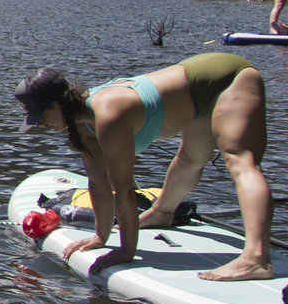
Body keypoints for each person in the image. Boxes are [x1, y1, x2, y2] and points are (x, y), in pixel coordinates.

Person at [14, 51, 274, 281]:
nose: (38, 124)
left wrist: (127, 250)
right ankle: (162, 213)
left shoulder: (108, 113)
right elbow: (99, 183)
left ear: (58, 104)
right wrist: (100, 237)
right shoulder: (81, 125)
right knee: (190, 159)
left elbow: (123, 189)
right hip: (197, 96)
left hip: (229, 78)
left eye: (40, 116)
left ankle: (256, 259)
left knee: (240, 160)